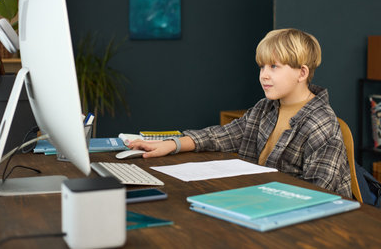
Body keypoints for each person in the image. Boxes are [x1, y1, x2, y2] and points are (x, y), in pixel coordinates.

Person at [128, 28, 352, 198]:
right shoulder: (265, 108)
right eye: (262, 67)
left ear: (301, 73)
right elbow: (224, 135)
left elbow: (316, 192)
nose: (263, 75)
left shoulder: (321, 123)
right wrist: (172, 144)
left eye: (274, 67)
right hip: (260, 201)